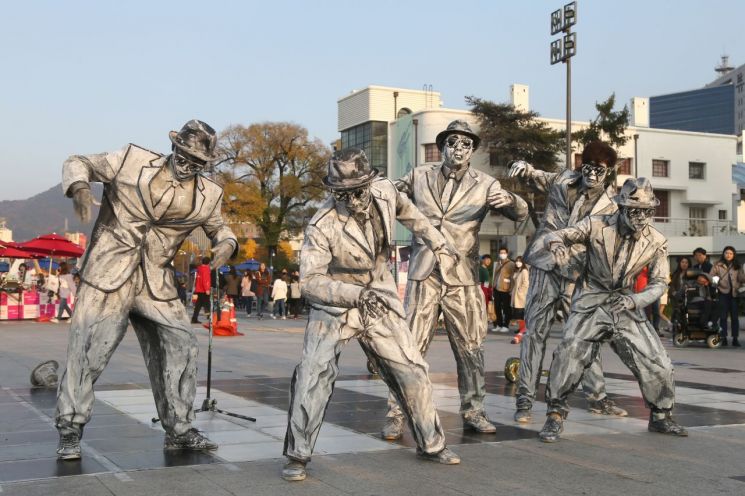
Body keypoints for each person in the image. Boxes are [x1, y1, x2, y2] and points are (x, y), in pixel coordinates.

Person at [55, 120, 237, 460]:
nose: (188, 167)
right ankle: (70, 429)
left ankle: (179, 430)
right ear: (174, 147)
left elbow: (220, 228)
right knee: (89, 351)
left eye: (197, 163)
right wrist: (80, 187)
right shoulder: (130, 160)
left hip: (156, 281)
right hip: (108, 272)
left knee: (181, 343)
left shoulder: (209, 194)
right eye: (184, 157)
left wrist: (227, 243)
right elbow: (78, 161)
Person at [283, 149, 461, 482]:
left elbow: (412, 214)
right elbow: (309, 283)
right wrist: (353, 295)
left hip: (378, 291)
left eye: (357, 191)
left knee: (412, 368)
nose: (351, 200)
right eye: (342, 194)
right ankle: (298, 455)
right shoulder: (321, 224)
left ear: (370, 181)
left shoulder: (385, 191)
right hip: (334, 300)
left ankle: (432, 443)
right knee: (313, 374)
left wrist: (438, 242)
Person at [381, 120, 529, 440]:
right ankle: (396, 412)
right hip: (424, 273)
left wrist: (512, 203)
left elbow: (521, 211)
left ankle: (474, 410)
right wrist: (374, 186)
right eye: (452, 142)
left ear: (473, 150)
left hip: (462, 277)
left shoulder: (486, 183)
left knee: (470, 348)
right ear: (443, 145)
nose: (457, 148)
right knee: (409, 348)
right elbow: (390, 191)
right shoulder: (420, 175)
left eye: (464, 144)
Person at [538, 177, 686, 442]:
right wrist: (557, 244)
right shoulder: (596, 225)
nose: (641, 217)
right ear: (621, 208)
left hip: (625, 302)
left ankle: (662, 415)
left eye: (647, 211)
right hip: (591, 299)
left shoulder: (657, 241)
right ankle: (555, 415)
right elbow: (556, 234)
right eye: (635, 210)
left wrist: (635, 301)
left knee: (658, 361)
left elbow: (660, 282)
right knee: (569, 350)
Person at [508, 141, 626, 424]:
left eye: (600, 169)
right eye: (588, 167)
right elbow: (538, 177)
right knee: (535, 333)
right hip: (544, 265)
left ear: (608, 171)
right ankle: (524, 399)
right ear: (580, 164)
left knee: (583, 337)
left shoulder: (611, 207)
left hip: (577, 275)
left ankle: (597, 398)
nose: (593, 174)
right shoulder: (563, 180)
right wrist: (524, 169)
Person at [710, 246, 745, 347]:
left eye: (730, 253)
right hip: (722, 293)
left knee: (734, 318)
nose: (728, 255)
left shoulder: (737, 265)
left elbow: (742, 279)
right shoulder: (717, 265)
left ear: (733, 255)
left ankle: (735, 338)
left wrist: (742, 272)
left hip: (734, 294)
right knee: (723, 317)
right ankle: (723, 338)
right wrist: (718, 282)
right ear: (723, 254)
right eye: (726, 253)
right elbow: (711, 277)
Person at [492, 247, 515, 333]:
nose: (502, 254)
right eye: (501, 253)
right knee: (497, 307)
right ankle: (499, 324)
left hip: (506, 289)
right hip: (497, 288)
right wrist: (493, 286)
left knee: (506, 308)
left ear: (507, 253)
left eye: (504, 253)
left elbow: (513, 277)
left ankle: (506, 325)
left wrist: (511, 289)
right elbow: (495, 276)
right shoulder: (498, 263)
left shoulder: (511, 264)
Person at [510, 257, 529, 344]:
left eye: (519, 261)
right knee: (518, 313)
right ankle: (521, 328)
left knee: (520, 312)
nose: (517, 263)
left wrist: (520, 291)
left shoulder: (524, 271)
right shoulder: (518, 271)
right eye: (516, 261)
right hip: (516, 294)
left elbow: (526, 283)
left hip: (521, 295)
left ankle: (522, 330)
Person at [191, 257, 212, 324]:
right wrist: (207, 289)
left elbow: (198, 279)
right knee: (207, 304)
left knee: (198, 305)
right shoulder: (206, 269)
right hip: (203, 290)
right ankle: (210, 317)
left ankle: (194, 318)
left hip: (199, 289)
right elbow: (205, 280)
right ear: (208, 262)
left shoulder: (199, 269)